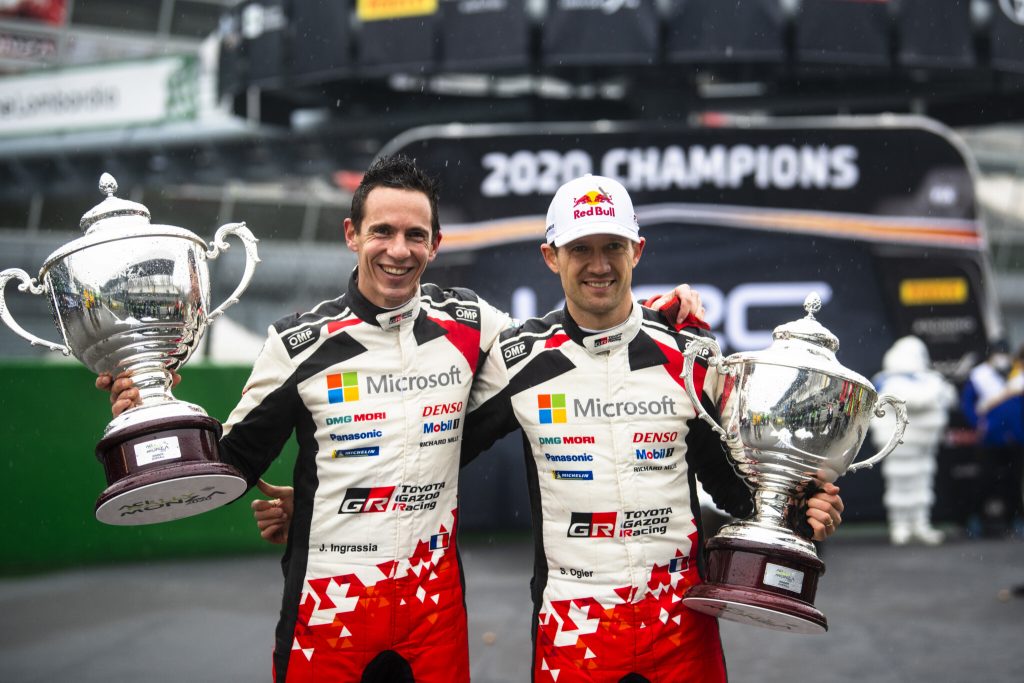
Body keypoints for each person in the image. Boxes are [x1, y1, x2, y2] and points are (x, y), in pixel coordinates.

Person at [100, 157, 704, 683]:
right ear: (352, 235)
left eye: (415, 235)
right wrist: (152, 414)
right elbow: (229, 464)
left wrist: (655, 313)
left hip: (432, 616)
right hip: (328, 612)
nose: (398, 250)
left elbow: (576, 334)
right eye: (382, 232)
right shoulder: (298, 344)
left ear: (435, 244)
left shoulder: (472, 325)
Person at [258, 173, 844, 683]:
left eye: (612, 247)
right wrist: (318, 503)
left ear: (637, 251)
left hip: (680, 629)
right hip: (575, 633)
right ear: (551, 257)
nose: (598, 264)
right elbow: (430, 448)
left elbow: (729, 484)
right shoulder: (519, 359)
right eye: (580, 248)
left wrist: (796, 510)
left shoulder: (688, 354)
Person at [869, 336, 956, 545]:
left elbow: (951, 398)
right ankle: (900, 525)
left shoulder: (929, 379)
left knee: (923, 483)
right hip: (900, 446)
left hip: (925, 444)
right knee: (900, 484)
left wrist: (936, 392)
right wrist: (936, 392)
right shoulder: (889, 380)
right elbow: (915, 401)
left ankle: (921, 523)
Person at [960, 338, 1024, 538]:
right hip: (990, 436)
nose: (1001, 358)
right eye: (998, 353)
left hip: (1016, 435)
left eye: (1004, 353)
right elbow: (967, 404)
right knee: (984, 480)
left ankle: (1015, 520)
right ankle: (975, 520)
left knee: (1015, 481)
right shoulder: (979, 375)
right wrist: (977, 424)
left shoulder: (1018, 374)